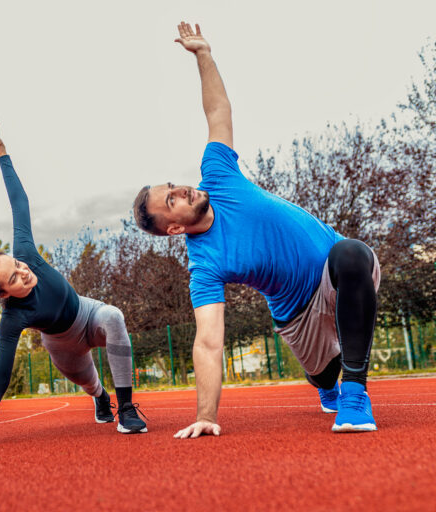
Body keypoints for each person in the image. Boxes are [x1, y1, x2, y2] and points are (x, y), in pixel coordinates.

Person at [132, 22, 380, 437]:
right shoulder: (205, 265)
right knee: (323, 378)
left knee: (351, 252)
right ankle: (327, 383)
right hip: (297, 316)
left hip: (338, 272)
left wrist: (203, 55)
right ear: (174, 228)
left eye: (173, 186)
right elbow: (209, 341)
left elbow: (218, 112)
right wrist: (206, 415)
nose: (181, 190)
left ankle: (355, 395)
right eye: (171, 199)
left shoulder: (217, 173)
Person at [0, 117, 147, 449]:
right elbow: (1, 374)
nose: (23, 272)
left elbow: (19, 203)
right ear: (2, 293)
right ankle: (101, 398)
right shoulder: (13, 317)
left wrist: (2, 151)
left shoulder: (26, 251)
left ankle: (126, 410)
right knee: (89, 384)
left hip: (87, 312)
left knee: (113, 316)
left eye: (17, 266)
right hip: (61, 344)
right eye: (14, 278)